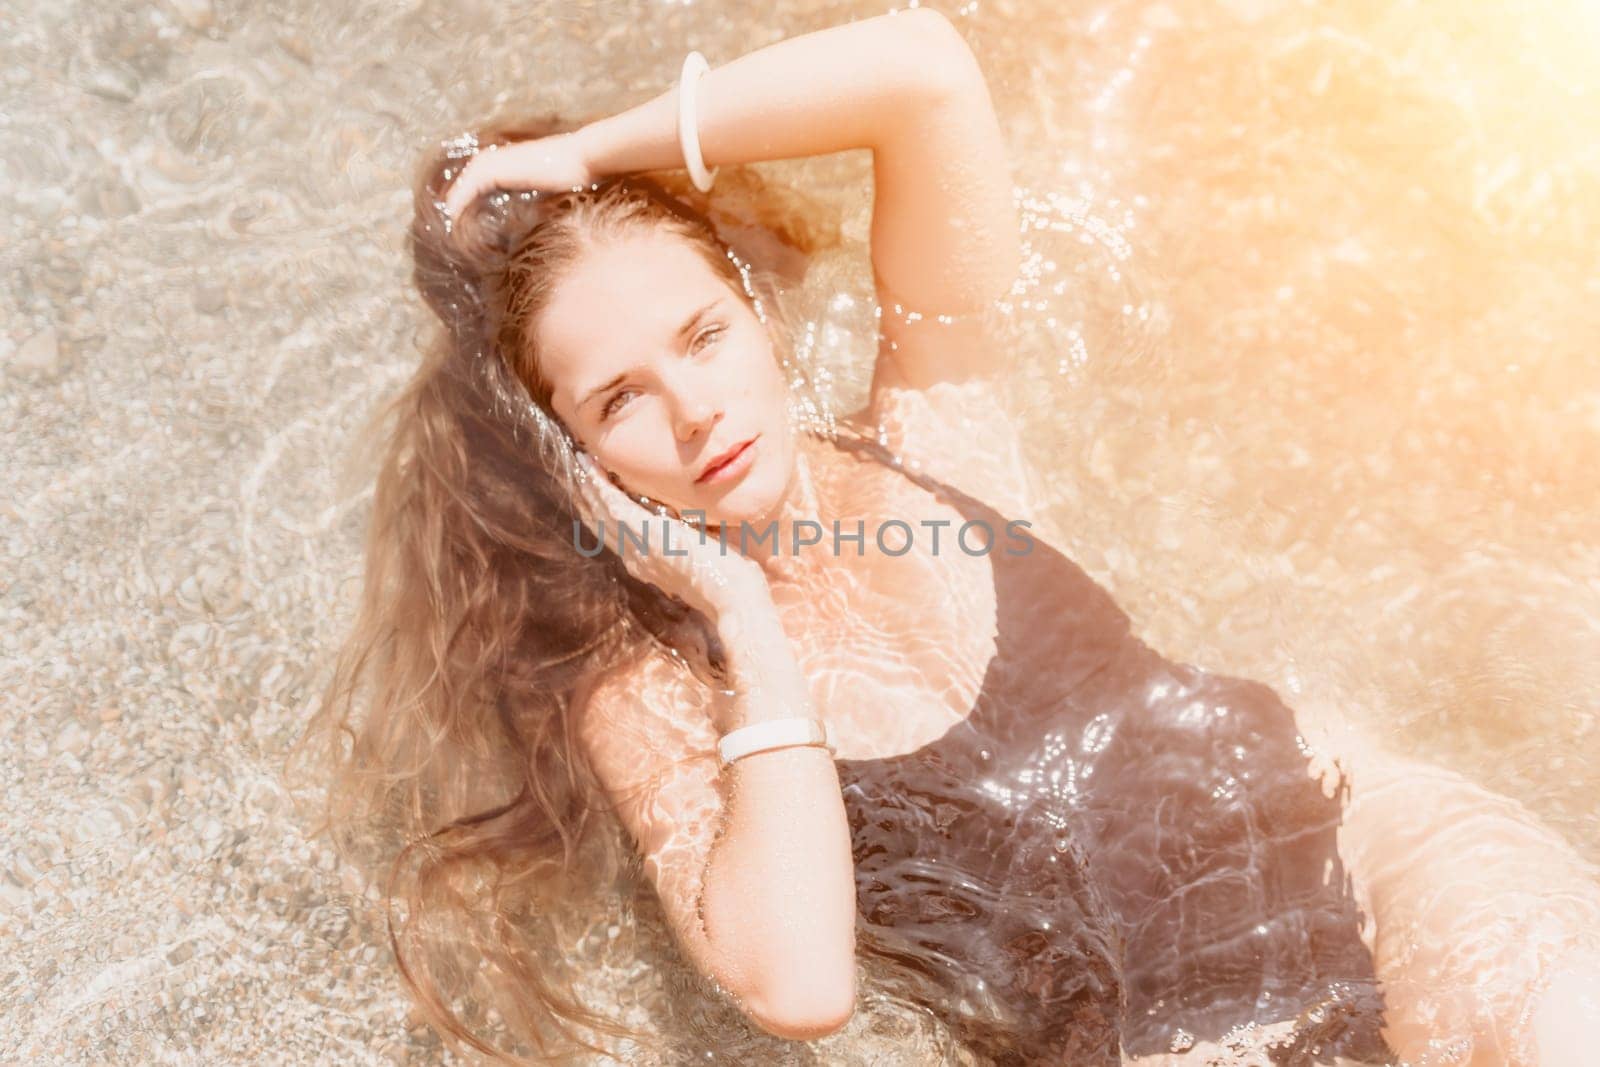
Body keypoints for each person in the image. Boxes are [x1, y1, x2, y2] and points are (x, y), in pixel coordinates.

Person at [296, 9, 1600, 1065]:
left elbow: (922, 73)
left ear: (753, 309)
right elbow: (794, 983)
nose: (694, 408)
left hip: (1363, 846)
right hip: (1179, 1048)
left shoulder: (935, 429)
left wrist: (591, 154)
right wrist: (742, 623)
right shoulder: (656, 696)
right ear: (567, 455)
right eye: (619, 398)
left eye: (701, 334)